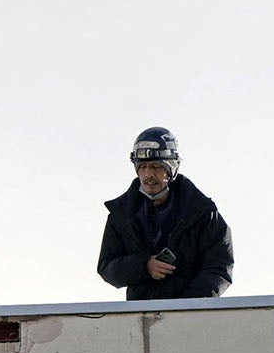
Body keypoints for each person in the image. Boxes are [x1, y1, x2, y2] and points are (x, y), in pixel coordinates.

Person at [96, 127, 234, 300]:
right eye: (143, 167)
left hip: (190, 319)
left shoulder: (203, 214)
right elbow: (106, 267)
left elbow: (218, 269)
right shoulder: (121, 216)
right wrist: (144, 266)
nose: (148, 175)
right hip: (141, 319)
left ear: (172, 168)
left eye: (156, 167)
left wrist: (185, 308)